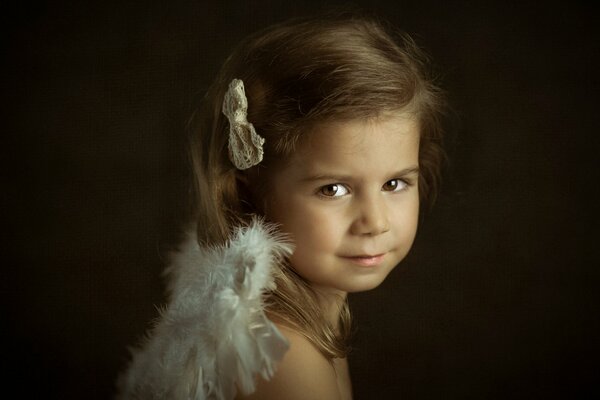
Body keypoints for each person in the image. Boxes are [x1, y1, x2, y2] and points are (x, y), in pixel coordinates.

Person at [117, 12, 445, 400]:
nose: (374, 222)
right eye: (333, 189)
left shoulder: (308, 318)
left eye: (394, 183)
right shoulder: (282, 358)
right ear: (250, 190)